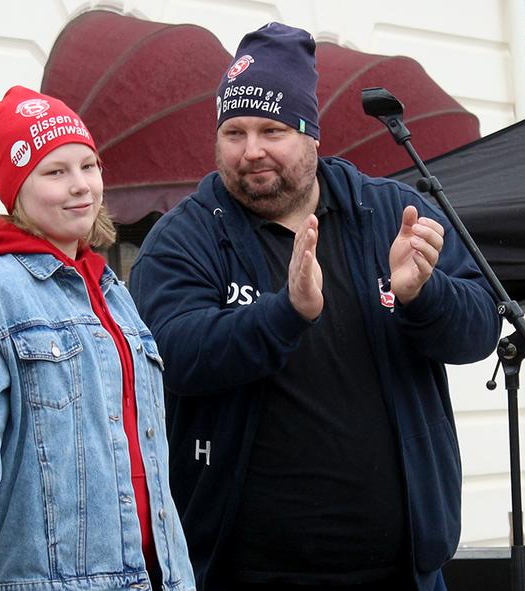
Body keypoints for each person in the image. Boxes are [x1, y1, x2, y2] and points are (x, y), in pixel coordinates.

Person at [128, 23, 501, 591]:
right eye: (234, 132)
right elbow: (170, 355)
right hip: (244, 570)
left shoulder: (391, 213)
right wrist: (287, 313)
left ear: (311, 134)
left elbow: (479, 330)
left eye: (272, 130)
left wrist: (424, 295)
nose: (251, 150)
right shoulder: (185, 236)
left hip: (403, 569)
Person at [0, 86, 196, 591]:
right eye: (55, 172)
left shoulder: (112, 291)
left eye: (88, 165)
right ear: (16, 190)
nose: (81, 186)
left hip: (160, 577)